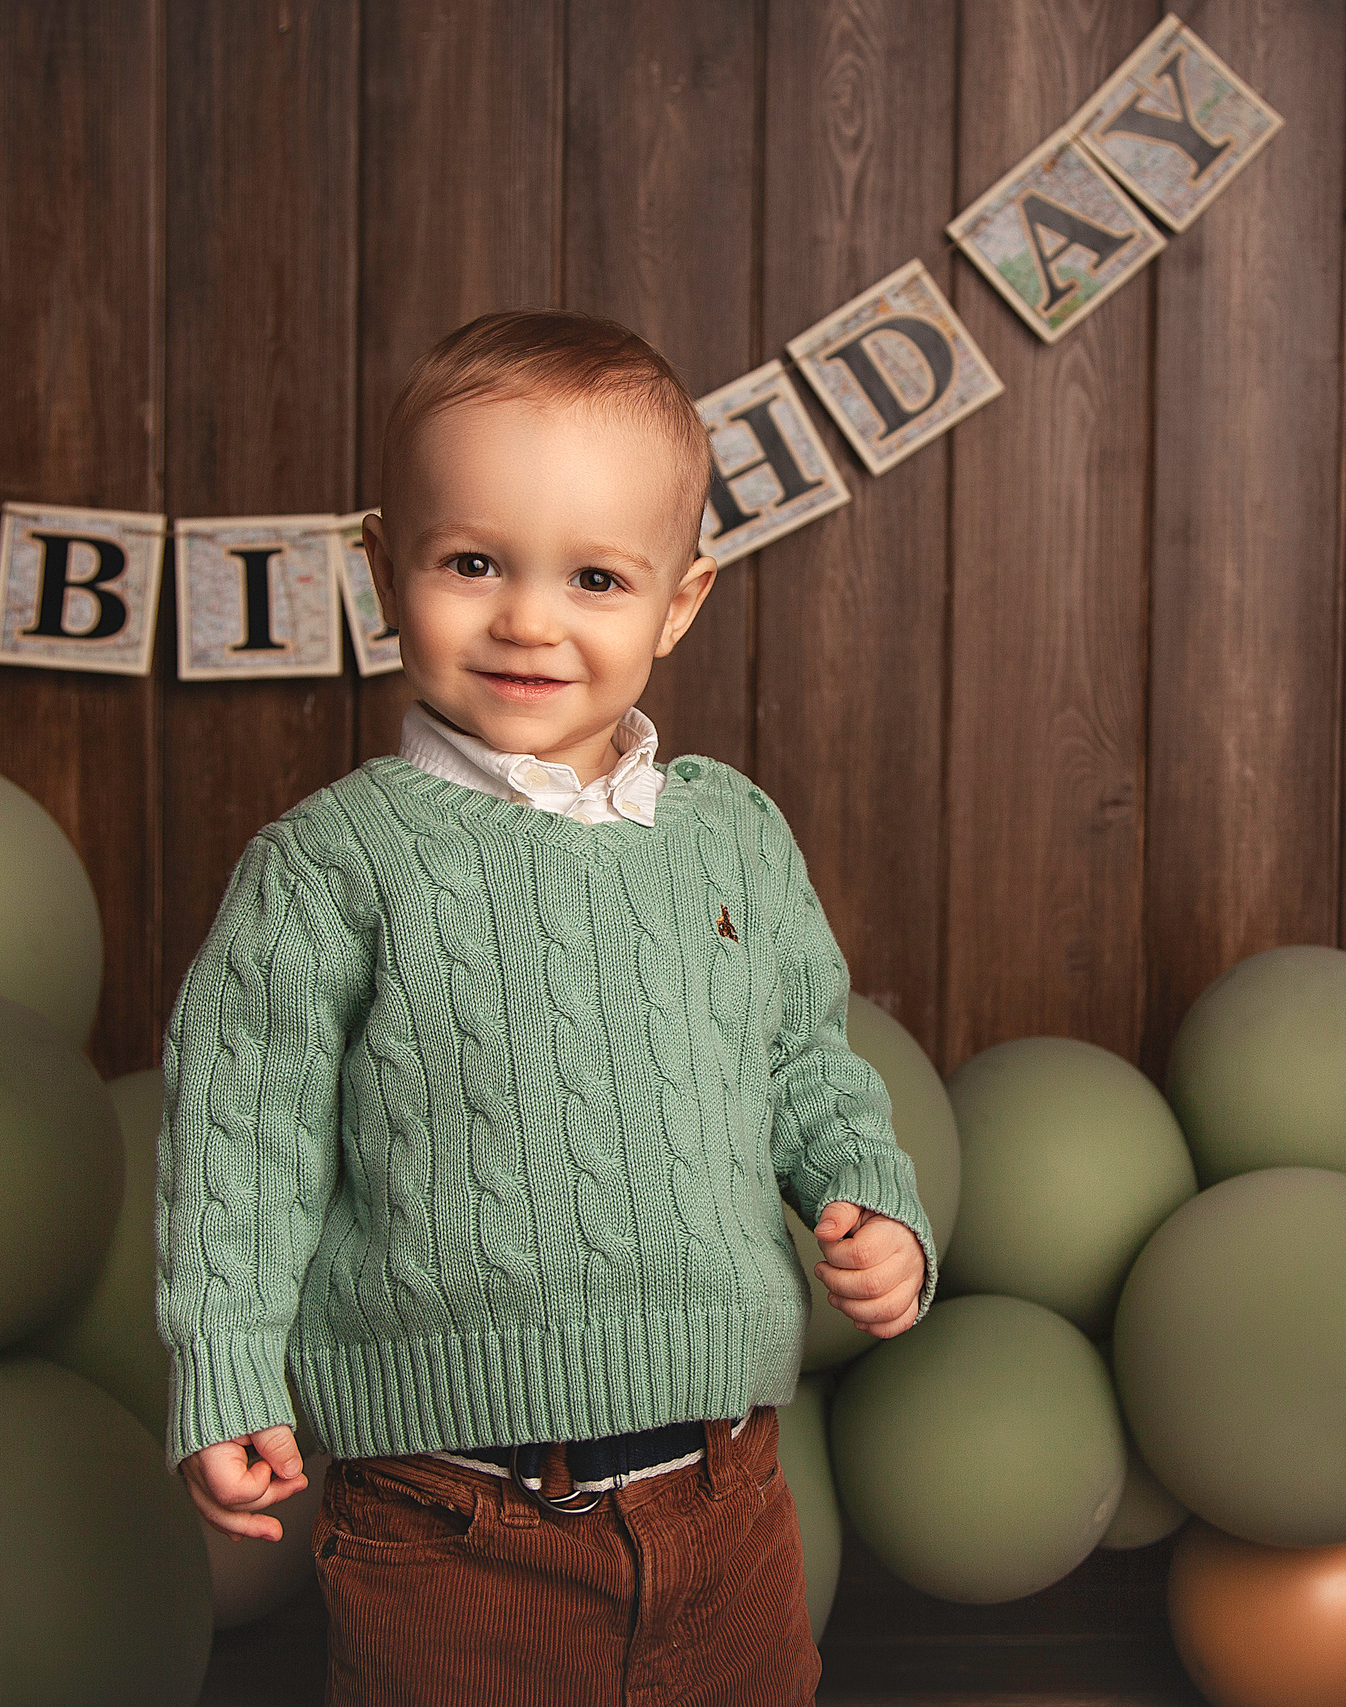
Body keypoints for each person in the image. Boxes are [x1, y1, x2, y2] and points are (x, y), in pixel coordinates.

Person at [155, 308, 936, 1705]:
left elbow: (804, 1055)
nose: (528, 619)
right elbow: (242, 1136)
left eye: (594, 577)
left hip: (725, 1498)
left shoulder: (731, 837)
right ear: (385, 573)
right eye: (471, 563)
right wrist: (226, 1365)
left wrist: (871, 1197)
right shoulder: (334, 863)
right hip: (448, 1521)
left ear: (677, 604)